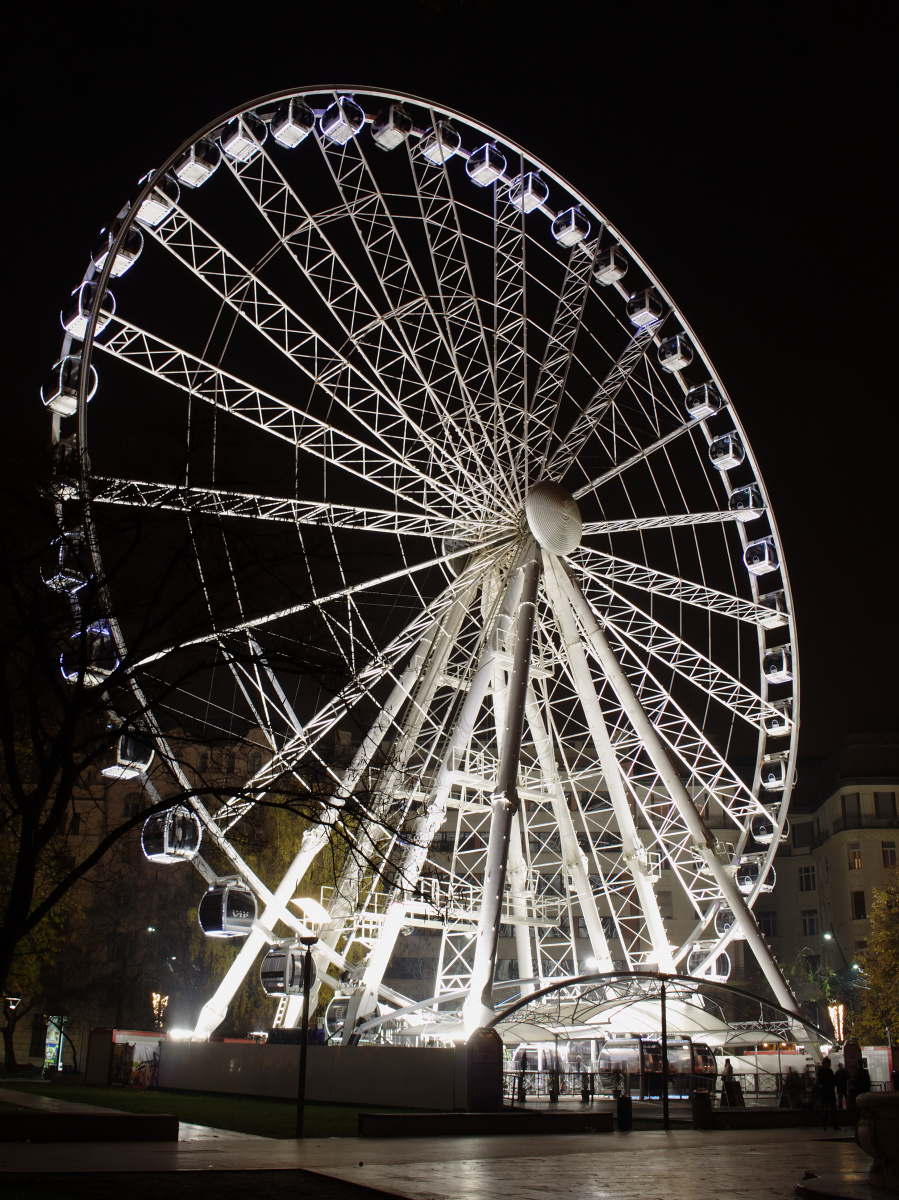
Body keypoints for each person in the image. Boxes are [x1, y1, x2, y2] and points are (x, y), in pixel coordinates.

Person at [817, 1057, 839, 1131]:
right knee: (832, 1110)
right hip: (829, 1093)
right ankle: (834, 1125)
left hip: (824, 1093)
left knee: (825, 1110)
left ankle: (825, 1125)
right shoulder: (829, 1071)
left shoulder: (821, 1072)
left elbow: (820, 1082)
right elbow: (834, 1081)